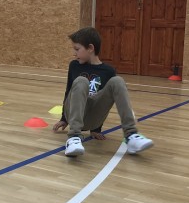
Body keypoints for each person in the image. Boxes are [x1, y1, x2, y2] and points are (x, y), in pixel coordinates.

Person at [52, 26, 154, 157]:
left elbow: (102, 102)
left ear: (90, 48)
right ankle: (73, 138)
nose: (74, 53)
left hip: (93, 118)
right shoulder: (74, 65)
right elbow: (68, 92)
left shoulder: (108, 71)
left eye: (77, 49)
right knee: (81, 81)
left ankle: (131, 135)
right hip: (73, 116)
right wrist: (64, 119)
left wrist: (96, 129)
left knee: (118, 81)